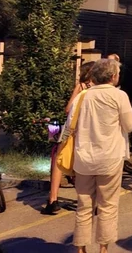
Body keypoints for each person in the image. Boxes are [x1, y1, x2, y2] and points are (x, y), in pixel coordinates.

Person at [69, 59, 132, 253]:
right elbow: (130, 125)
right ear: (113, 76)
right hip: (110, 158)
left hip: (84, 158)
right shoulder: (118, 96)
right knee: (108, 205)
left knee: (84, 206)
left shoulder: (82, 97)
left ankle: (80, 249)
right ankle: (103, 249)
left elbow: (70, 125)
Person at [43, 60, 95, 215]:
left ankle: (53, 200)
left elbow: (68, 109)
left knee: (59, 160)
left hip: (72, 129)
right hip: (90, 130)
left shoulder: (82, 86)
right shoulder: (100, 88)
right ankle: (88, 201)